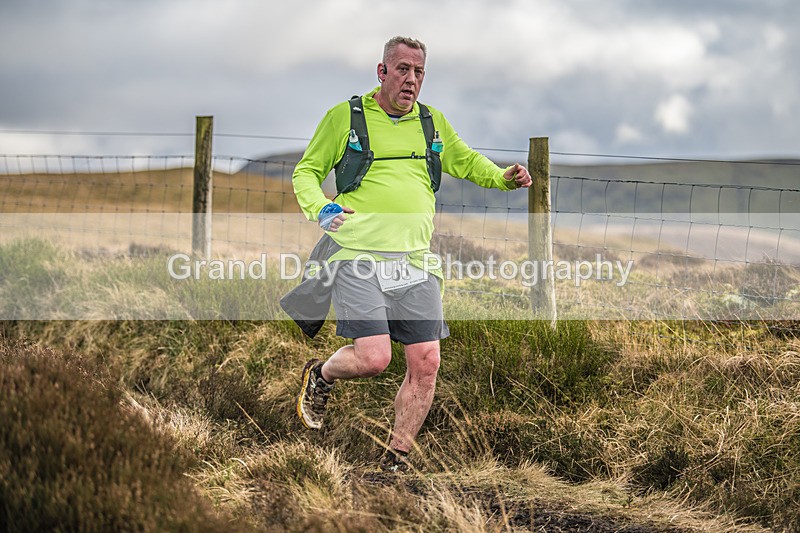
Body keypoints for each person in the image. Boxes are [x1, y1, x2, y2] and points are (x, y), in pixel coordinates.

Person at [290, 36, 532, 472]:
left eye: (419, 72)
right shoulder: (346, 117)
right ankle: (322, 376)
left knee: (427, 362)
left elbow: (464, 160)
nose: (411, 80)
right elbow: (306, 172)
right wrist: (322, 207)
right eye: (402, 69)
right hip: (357, 255)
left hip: (416, 262)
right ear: (381, 72)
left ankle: (395, 461)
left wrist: (503, 178)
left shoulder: (431, 122)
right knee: (374, 358)